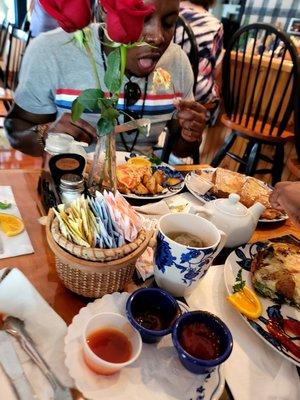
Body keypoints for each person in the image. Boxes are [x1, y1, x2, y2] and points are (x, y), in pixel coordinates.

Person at [4, 0, 207, 158]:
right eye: (142, 19)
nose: (158, 37)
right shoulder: (50, 51)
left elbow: (181, 151)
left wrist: (190, 133)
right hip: (71, 189)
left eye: (169, 23)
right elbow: (16, 129)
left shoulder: (178, 61)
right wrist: (45, 135)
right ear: (105, 11)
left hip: (145, 196)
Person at [178, 0, 223, 124]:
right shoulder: (214, 24)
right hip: (195, 94)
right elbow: (216, 70)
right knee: (216, 93)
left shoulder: (169, 13)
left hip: (161, 87)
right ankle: (194, 133)